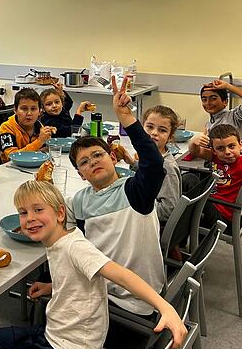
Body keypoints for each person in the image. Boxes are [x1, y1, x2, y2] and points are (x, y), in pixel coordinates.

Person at [0, 180, 187, 349]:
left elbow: (122, 275)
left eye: (38, 210)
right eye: (23, 212)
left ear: (60, 214)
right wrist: (51, 287)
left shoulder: (75, 247)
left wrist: (165, 307)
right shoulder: (58, 240)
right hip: (52, 333)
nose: (30, 219)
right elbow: (78, 279)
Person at [59, 76, 166, 316]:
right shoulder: (79, 201)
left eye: (98, 155)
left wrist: (126, 118)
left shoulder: (136, 190)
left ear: (114, 158)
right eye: (84, 162)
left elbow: (154, 162)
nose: (93, 162)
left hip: (132, 298)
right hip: (101, 281)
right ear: (81, 175)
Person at [189, 123, 242, 227]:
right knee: (189, 180)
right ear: (214, 150)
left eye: (231, 146)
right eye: (221, 148)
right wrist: (193, 142)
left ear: (240, 145)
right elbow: (195, 151)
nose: (227, 152)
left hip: (223, 214)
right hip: (212, 202)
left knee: (189, 195)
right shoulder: (215, 157)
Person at [118, 105, 182, 223]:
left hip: (149, 224)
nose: (154, 133)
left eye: (162, 130)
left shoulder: (167, 166)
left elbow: (168, 210)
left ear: (170, 136)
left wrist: (136, 203)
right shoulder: (156, 158)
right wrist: (133, 163)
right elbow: (151, 173)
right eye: (150, 127)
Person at [198, 78, 242, 151]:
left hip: (236, 161)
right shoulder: (209, 123)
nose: (208, 103)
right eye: (204, 99)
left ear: (225, 102)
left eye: (213, 99)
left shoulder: (234, 116)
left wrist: (227, 86)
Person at [0, 88, 53, 162]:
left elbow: (44, 150)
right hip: (11, 169)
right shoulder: (7, 127)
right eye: (24, 109)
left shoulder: (39, 126)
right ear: (15, 110)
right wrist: (39, 142)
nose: (29, 113)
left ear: (40, 111)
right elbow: (11, 156)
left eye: (33, 109)